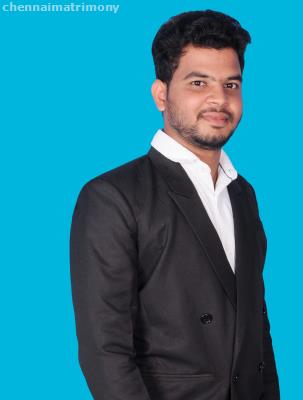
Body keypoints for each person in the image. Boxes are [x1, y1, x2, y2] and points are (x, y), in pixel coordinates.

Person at [70, 9, 280, 400]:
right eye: (198, 82)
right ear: (161, 94)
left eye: (231, 84)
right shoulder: (112, 196)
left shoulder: (243, 194)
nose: (219, 99)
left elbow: (256, 329)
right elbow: (104, 352)